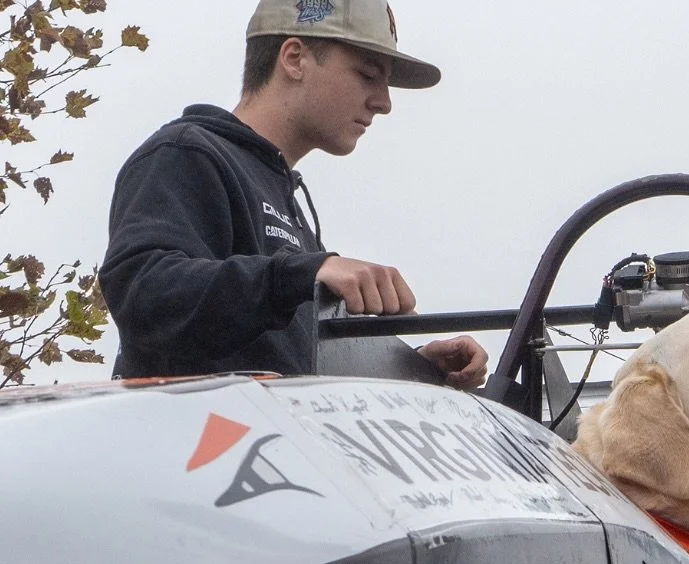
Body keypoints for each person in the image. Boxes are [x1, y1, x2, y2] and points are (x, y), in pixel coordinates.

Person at [100, 0, 486, 388]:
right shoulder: (186, 152)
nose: (384, 102)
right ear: (295, 58)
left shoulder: (286, 201)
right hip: (195, 445)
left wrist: (414, 369)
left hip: (264, 445)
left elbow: (288, 366)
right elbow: (143, 294)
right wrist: (300, 273)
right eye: (368, 75)